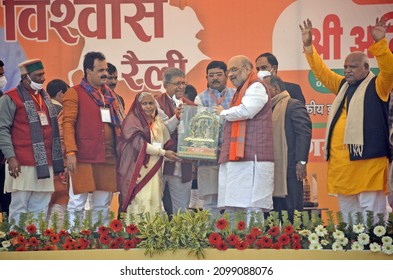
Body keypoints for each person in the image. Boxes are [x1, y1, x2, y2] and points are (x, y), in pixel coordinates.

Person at [299, 17, 393, 223]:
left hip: (368, 161)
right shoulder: (342, 86)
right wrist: (308, 47)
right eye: (345, 66)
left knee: (372, 214)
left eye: (353, 66)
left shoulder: (378, 86)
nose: (347, 70)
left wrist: (380, 44)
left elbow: (389, 70)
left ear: (367, 68)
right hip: (343, 165)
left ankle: (375, 249)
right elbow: (322, 73)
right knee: (350, 216)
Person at [62, 51, 123, 227]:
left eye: (105, 69)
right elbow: (68, 124)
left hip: (107, 155)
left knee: (102, 203)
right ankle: (74, 239)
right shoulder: (74, 93)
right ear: (88, 71)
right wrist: (71, 152)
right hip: (83, 157)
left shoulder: (110, 96)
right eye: (100, 70)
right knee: (77, 202)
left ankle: (99, 237)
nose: (105, 73)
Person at [0, 59, 64, 225]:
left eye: (43, 74)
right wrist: (11, 157)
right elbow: (2, 129)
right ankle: (16, 243)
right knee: (19, 206)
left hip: (45, 163)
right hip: (21, 162)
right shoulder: (10, 98)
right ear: (26, 77)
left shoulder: (45, 98)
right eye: (38, 75)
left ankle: (35, 243)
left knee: (40, 207)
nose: (43, 78)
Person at [213, 55, 274, 222]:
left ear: (248, 69)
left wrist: (223, 113)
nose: (230, 75)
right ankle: (238, 244)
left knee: (251, 208)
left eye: (234, 69)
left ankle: (254, 246)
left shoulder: (256, 87)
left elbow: (247, 110)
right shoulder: (242, 90)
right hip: (239, 159)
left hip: (251, 158)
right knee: (235, 206)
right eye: (228, 71)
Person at [117, 91, 179, 221]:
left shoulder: (158, 121)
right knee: (140, 199)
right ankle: (134, 234)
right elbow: (140, 145)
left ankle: (151, 234)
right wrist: (164, 153)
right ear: (138, 105)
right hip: (138, 170)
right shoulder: (132, 121)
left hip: (156, 170)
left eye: (151, 103)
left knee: (154, 199)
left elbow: (166, 142)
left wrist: (172, 155)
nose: (148, 106)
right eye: (144, 103)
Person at [264, 75, 312, 222]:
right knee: (272, 215)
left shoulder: (293, 105)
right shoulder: (264, 110)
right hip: (270, 171)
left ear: (276, 88)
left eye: (265, 89)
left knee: (292, 213)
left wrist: (301, 162)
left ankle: (294, 242)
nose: (262, 93)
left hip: (290, 169)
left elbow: (304, 133)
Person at [194, 61, 235, 217]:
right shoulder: (200, 99)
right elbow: (199, 129)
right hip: (208, 158)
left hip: (232, 157)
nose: (215, 78)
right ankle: (213, 239)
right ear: (206, 77)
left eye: (219, 74)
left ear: (226, 75)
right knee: (211, 203)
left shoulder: (236, 95)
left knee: (232, 202)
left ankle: (232, 240)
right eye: (211, 75)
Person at [155, 67, 194, 215]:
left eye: (183, 83)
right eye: (177, 83)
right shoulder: (156, 103)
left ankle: (180, 237)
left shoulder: (192, 106)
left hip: (183, 161)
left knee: (182, 209)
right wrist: (177, 117)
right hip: (162, 161)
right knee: (155, 204)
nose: (181, 86)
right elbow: (164, 131)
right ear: (166, 85)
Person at [46, 79, 70, 227]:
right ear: (61, 94)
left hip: (43, 164)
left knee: (43, 203)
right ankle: (56, 240)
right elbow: (62, 140)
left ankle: (42, 238)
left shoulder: (42, 109)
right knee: (59, 200)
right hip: (59, 164)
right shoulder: (62, 111)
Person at [0, 60, 11, 217]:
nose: (2, 78)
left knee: (7, 201)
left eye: (2, 74)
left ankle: (8, 239)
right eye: (0, 74)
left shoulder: (4, 98)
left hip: (3, 160)